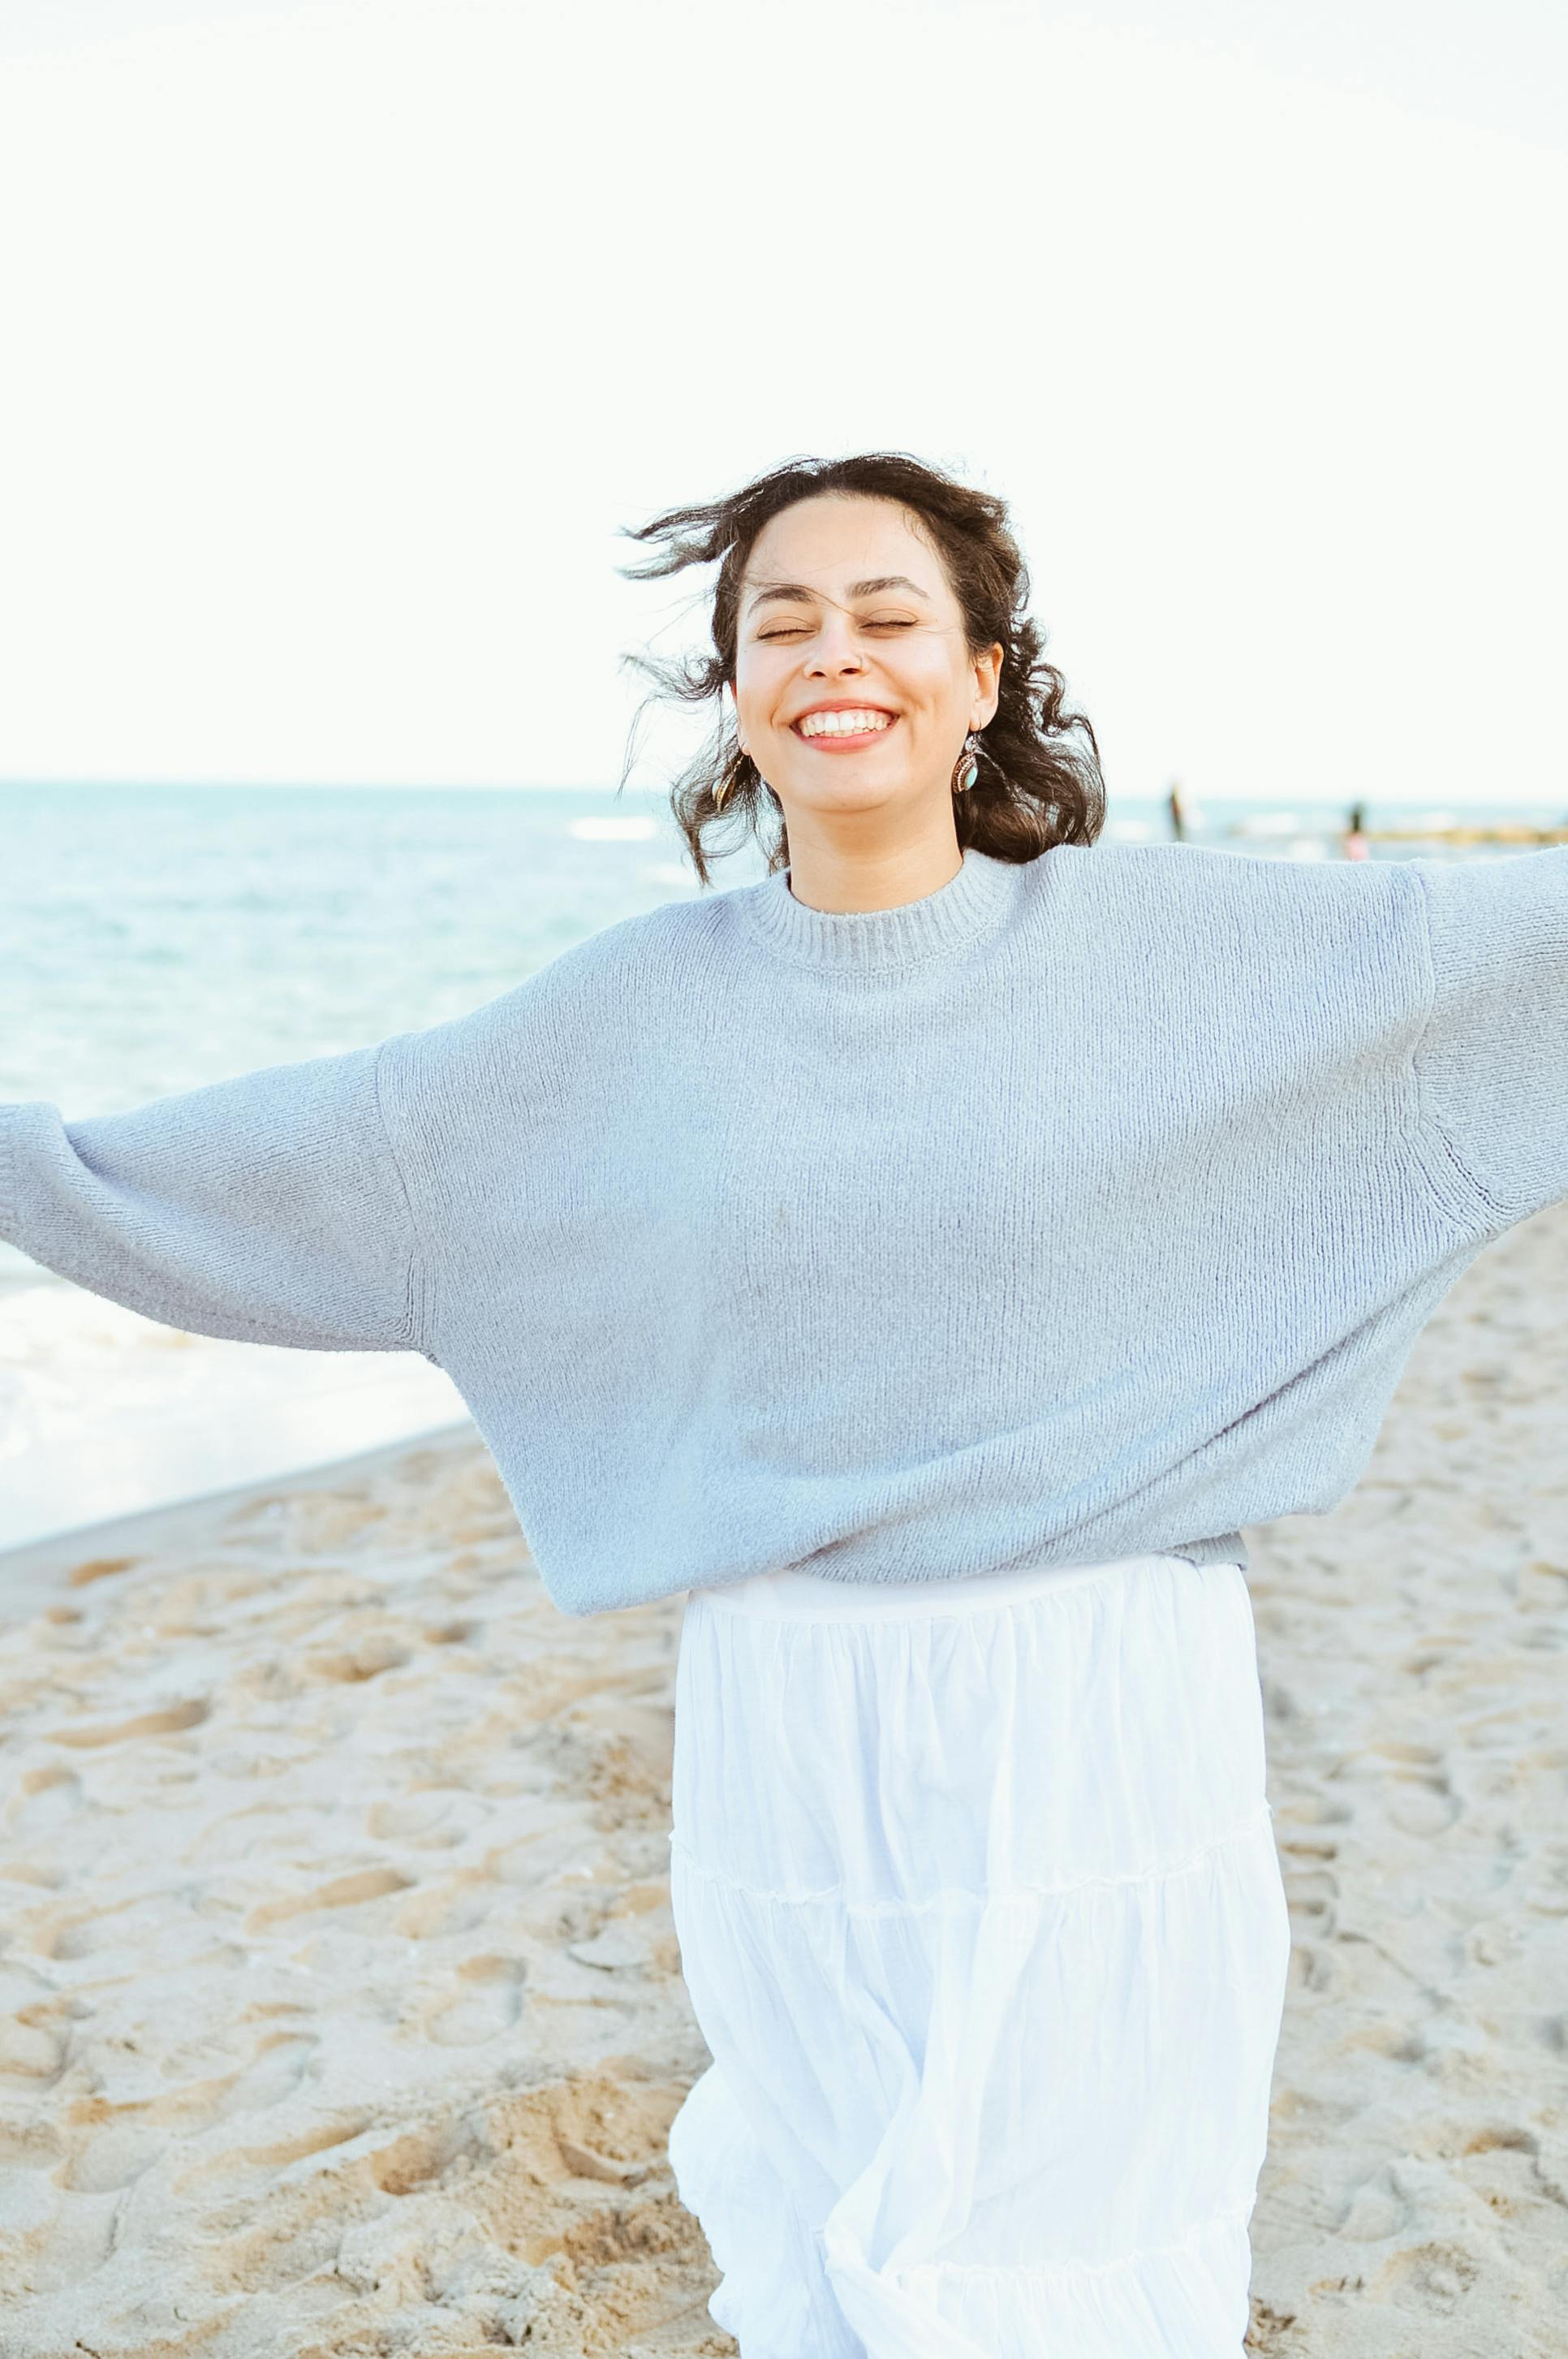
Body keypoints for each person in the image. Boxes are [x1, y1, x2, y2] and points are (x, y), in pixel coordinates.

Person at [3, 451, 1566, 2359]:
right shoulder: (635, 1010)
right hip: (786, 1719)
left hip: (1097, 1708)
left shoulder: (1185, 951)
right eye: (785, 621)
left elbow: (1515, 986)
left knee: (1069, 2258)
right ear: (737, 689)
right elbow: (340, 1166)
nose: (840, 654)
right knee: (828, 2244)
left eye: (891, 615)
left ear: (984, 673)